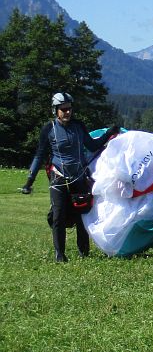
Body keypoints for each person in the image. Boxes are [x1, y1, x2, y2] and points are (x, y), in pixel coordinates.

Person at [19, 93, 119, 262]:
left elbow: (92, 145)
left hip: (79, 178)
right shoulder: (49, 129)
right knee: (58, 216)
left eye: (69, 109)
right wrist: (29, 181)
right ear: (55, 110)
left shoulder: (79, 126)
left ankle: (84, 253)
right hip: (58, 179)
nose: (67, 112)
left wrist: (109, 133)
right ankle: (60, 255)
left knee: (82, 215)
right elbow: (39, 155)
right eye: (63, 109)